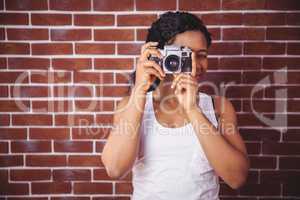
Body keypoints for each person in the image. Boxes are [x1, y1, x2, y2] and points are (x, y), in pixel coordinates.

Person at [101, 11, 249, 200]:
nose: (195, 65)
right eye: (184, 55)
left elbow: (237, 178)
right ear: (159, 55)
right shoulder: (130, 105)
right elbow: (114, 168)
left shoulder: (219, 107)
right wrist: (139, 89)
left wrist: (193, 110)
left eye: (202, 55)